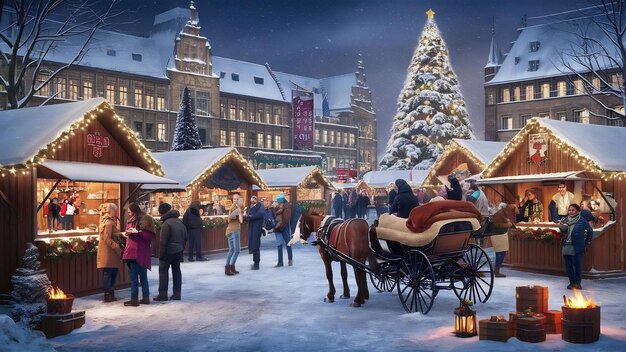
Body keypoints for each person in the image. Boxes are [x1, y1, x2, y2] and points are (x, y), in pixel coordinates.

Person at [154, 202, 187, 301]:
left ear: (162, 213)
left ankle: (163, 294)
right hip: (179, 250)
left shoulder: (166, 224)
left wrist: (161, 254)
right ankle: (177, 294)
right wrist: (181, 248)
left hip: (169, 251)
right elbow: (185, 237)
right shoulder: (180, 222)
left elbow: (163, 241)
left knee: (163, 271)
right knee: (176, 271)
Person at [122, 214, 155, 306]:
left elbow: (132, 243)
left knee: (134, 279)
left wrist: (131, 232)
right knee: (144, 278)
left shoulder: (138, 233)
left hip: (135, 257)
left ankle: (134, 299)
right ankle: (146, 297)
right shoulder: (149, 233)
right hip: (144, 257)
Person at [560, 204, 593, 290]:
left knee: (577, 265)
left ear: (578, 211)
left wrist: (586, 243)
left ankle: (577, 283)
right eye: (569, 210)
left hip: (577, 247)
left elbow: (590, 232)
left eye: (573, 210)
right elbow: (562, 232)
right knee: (568, 266)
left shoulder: (582, 221)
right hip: (566, 246)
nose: (571, 212)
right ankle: (572, 283)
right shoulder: (564, 220)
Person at [97, 203, 122, 303]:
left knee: (110, 273)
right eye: (115, 211)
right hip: (109, 252)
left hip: (109, 252)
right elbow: (107, 238)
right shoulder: (108, 222)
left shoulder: (107, 221)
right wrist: (117, 248)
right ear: (111, 211)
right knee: (109, 273)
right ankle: (108, 295)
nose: (116, 213)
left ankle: (110, 294)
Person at [244, 195, 265, 270]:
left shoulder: (260, 206)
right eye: (252, 198)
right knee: (252, 245)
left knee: (256, 245)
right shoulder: (249, 207)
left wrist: (249, 217)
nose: (253, 199)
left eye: (254, 198)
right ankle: (255, 262)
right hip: (251, 228)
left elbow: (259, 215)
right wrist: (246, 217)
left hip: (257, 228)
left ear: (257, 200)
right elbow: (247, 216)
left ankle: (257, 264)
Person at [225, 194, 243, 275]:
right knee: (237, 250)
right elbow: (241, 221)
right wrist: (239, 212)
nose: (236, 200)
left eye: (237, 199)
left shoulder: (231, 208)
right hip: (234, 230)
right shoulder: (235, 208)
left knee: (231, 250)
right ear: (233, 199)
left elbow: (228, 220)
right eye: (235, 199)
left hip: (229, 231)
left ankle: (227, 268)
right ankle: (231, 267)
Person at [274, 193, 293, 267]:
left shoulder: (287, 206)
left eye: (278, 200)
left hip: (284, 227)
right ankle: (280, 262)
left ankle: (290, 259)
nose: (278, 202)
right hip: (278, 227)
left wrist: (280, 226)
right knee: (279, 244)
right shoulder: (277, 206)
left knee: (288, 243)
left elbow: (286, 219)